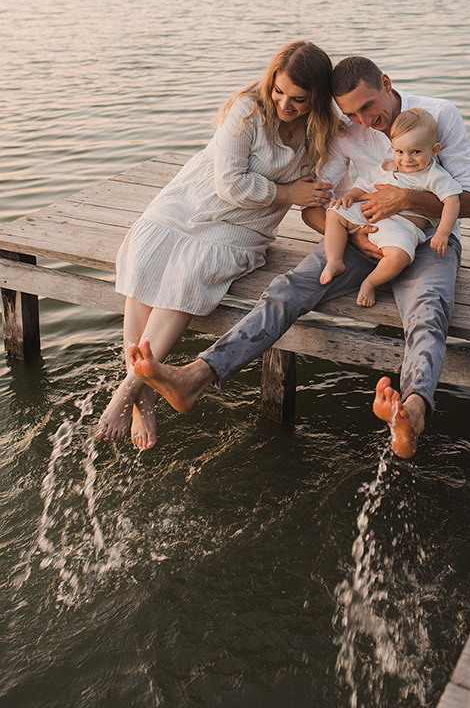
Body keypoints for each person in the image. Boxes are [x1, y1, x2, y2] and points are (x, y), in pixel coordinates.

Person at [127, 56, 470, 459]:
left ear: (386, 84)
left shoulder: (439, 115)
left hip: (428, 243)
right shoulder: (347, 131)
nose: (364, 120)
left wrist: (405, 198)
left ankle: (413, 413)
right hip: (363, 238)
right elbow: (315, 207)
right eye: (351, 112)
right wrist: (354, 239)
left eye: (369, 107)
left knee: (428, 310)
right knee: (287, 290)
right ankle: (196, 376)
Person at [95, 41, 340, 450]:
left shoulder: (323, 131)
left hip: (245, 225)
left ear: (317, 97)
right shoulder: (247, 109)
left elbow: (321, 190)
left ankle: (127, 392)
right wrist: (288, 193)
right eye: (279, 92)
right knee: (145, 255)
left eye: (298, 99)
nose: (285, 104)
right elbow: (229, 183)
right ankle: (145, 395)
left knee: (191, 273)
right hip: (193, 199)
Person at [320, 107, 462, 307]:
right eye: (400, 152)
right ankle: (334, 260)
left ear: (434, 150)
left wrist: (443, 233)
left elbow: (452, 201)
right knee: (334, 212)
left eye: (416, 152)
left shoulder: (434, 176)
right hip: (369, 216)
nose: (407, 159)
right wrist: (350, 195)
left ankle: (370, 282)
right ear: (392, 148)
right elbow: (364, 183)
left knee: (399, 257)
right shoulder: (387, 166)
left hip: (402, 228)